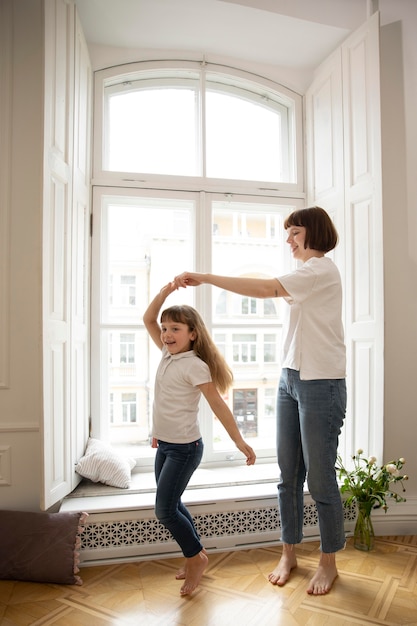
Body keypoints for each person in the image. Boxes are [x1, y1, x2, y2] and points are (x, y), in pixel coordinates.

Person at [174, 206, 347, 596]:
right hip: (291, 378)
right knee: (288, 476)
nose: (288, 240)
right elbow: (269, 284)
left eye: (295, 233)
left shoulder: (321, 270)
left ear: (314, 232)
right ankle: (289, 552)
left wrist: (205, 278)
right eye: (287, 233)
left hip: (322, 384)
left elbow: (265, 287)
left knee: (320, 480)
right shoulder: (304, 276)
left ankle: (329, 561)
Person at [143, 281, 256, 596]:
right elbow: (147, 319)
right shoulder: (168, 354)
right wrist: (165, 292)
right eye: (165, 328)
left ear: (193, 333)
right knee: (172, 503)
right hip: (165, 446)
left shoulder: (194, 365)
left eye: (175, 328)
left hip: (185, 450)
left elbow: (219, 405)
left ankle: (195, 558)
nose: (166, 334)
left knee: (164, 510)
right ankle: (197, 554)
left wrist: (239, 441)